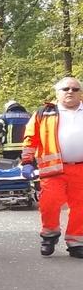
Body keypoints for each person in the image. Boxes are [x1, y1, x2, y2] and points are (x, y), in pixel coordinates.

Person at [20, 77, 83, 258]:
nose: (70, 91)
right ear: (57, 93)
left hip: (80, 169)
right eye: (65, 89)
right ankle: (49, 235)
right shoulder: (44, 113)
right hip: (53, 168)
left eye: (75, 88)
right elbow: (30, 138)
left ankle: (76, 242)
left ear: (80, 93)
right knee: (49, 204)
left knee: (80, 206)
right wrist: (27, 162)